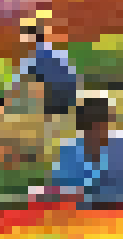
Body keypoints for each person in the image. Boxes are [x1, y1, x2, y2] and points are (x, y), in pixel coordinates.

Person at [40, 94, 123, 206]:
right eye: (90, 125)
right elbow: (59, 189)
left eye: (100, 123)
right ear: (81, 126)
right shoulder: (69, 151)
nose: (96, 130)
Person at [5, 21, 79, 151]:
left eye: (24, 37)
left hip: (50, 105)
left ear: (31, 38)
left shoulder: (33, 58)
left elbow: (20, 83)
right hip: (68, 103)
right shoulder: (60, 54)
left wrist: (11, 102)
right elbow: (74, 78)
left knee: (28, 88)